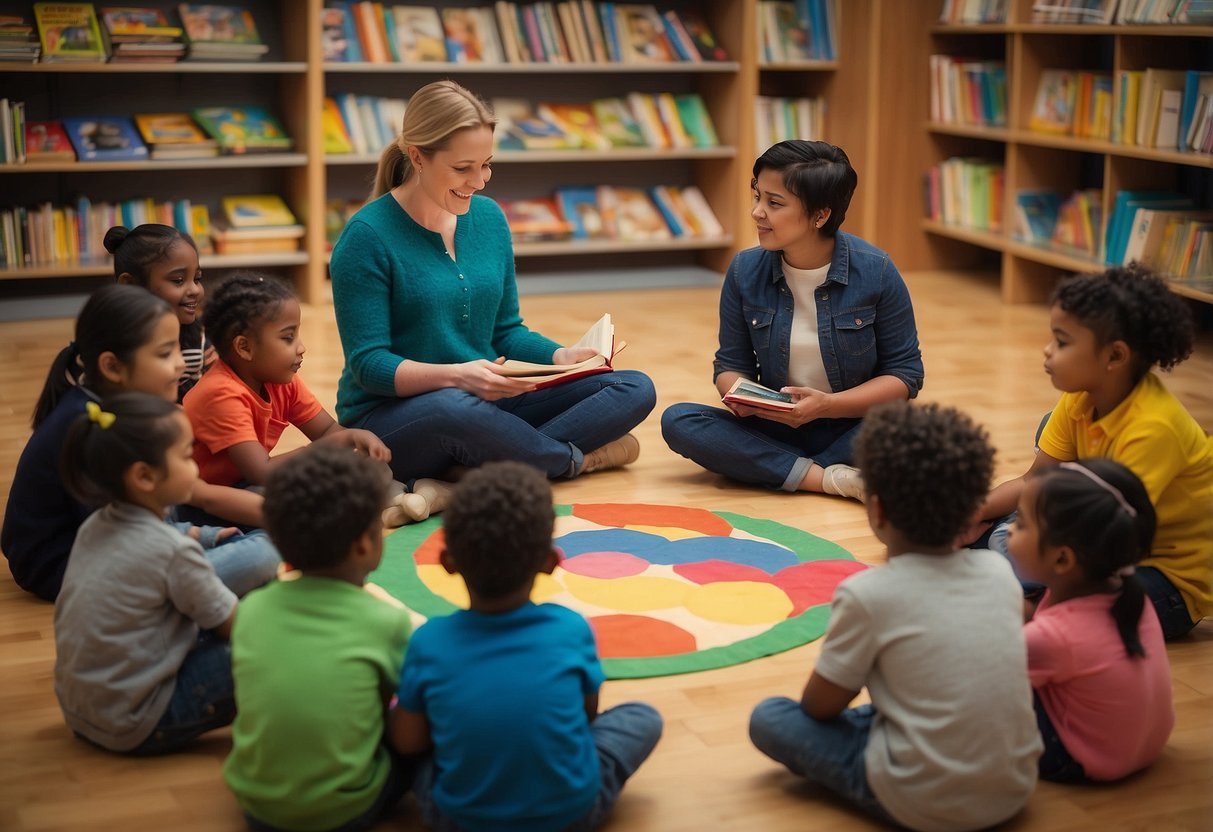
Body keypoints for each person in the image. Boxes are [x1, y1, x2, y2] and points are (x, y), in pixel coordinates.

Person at [329, 80, 655, 524]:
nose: (479, 181)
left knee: (632, 386)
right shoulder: (365, 238)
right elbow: (369, 365)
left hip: (483, 402)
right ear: (417, 156)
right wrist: (456, 377)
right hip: (396, 415)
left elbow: (506, 330)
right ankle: (571, 461)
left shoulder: (489, 219)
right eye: (464, 168)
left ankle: (471, 471)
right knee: (452, 408)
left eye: (486, 164)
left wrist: (562, 356)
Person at [749, 401, 1040, 832]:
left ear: (877, 509)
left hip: (921, 800)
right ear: (973, 508)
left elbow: (819, 706)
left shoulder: (868, 594)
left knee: (771, 718)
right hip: (1015, 787)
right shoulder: (998, 573)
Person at [389, 461, 663, 832]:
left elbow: (408, 744)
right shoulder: (570, 628)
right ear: (551, 563)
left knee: (410, 741)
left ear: (447, 562)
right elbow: (587, 717)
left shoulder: (429, 641)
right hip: (571, 814)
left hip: (459, 820)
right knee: (642, 718)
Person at [661, 141, 923, 502]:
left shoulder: (876, 270)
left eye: (774, 203)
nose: (756, 212)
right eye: (757, 197)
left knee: (911, 431)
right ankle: (828, 478)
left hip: (850, 425)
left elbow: (905, 375)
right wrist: (741, 394)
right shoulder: (744, 270)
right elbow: (730, 364)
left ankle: (782, 469)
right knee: (679, 421)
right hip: (774, 425)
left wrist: (828, 406)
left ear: (820, 216)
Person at [973, 265, 1212, 640]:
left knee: (1083, 609)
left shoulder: (1154, 429)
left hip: (1160, 575)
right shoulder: (1079, 398)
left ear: (1114, 356)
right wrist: (968, 515)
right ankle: (1016, 582)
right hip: (1087, 525)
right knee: (970, 531)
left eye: (1062, 342)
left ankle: (1028, 601)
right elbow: (1032, 480)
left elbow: (1105, 544)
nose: (1047, 351)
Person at [2, 284, 278, 601]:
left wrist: (203, 533)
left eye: (177, 349)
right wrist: (201, 536)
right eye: (164, 354)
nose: (179, 364)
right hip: (77, 565)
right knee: (263, 555)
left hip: (132, 532)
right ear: (113, 367)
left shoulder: (121, 405)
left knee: (261, 498)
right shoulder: (94, 426)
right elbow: (122, 534)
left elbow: (160, 502)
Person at [225, 444, 414, 832]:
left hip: (257, 808)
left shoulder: (251, 609)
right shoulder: (386, 621)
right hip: (343, 813)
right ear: (364, 543)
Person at [54, 393, 238, 754]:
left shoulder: (94, 526)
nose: (195, 464)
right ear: (144, 476)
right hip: (139, 718)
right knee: (267, 646)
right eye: (187, 455)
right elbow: (236, 626)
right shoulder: (173, 552)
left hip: (81, 710)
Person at [1006, 459, 1173, 783]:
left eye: (1021, 523)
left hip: (1082, 758)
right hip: (1143, 745)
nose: (1010, 529)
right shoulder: (1129, 595)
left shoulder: (1053, 637)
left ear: (1062, 558)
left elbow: (977, 676)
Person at [182, 272, 390, 493]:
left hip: (248, 484)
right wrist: (344, 441)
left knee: (360, 475)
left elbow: (327, 430)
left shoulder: (281, 380)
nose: (301, 347)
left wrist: (356, 448)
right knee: (301, 493)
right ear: (244, 347)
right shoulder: (221, 393)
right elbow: (261, 471)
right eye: (288, 338)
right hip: (203, 496)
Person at [106, 223, 214, 401]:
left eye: (197, 279)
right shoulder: (115, 346)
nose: (195, 290)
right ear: (130, 285)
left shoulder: (199, 336)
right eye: (179, 280)